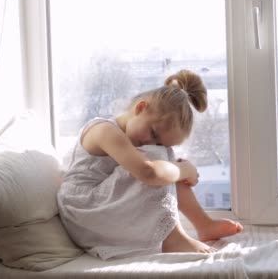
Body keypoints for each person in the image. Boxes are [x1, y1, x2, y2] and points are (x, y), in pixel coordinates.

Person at [57, 69, 242, 260]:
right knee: (159, 165)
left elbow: (156, 171)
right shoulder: (104, 130)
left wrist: (175, 168)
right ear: (140, 108)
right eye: (153, 134)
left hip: (101, 208)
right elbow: (149, 173)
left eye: (159, 141)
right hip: (83, 211)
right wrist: (185, 169)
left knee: (164, 163)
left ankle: (203, 224)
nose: (150, 143)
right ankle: (174, 238)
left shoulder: (140, 142)